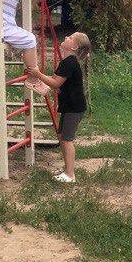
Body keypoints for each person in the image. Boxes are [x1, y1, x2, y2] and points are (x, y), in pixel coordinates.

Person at [35, 31, 91, 182]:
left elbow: (55, 83)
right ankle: (67, 169)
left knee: (67, 139)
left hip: (74, 108)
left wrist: (38, 74)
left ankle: (70, 174)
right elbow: (57, 83)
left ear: (74, 47)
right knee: (61, 136)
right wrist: (43, 83)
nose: (66, 37)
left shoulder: (70, 62)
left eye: (70, 37)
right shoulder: (66, 61)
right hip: (69, 106)